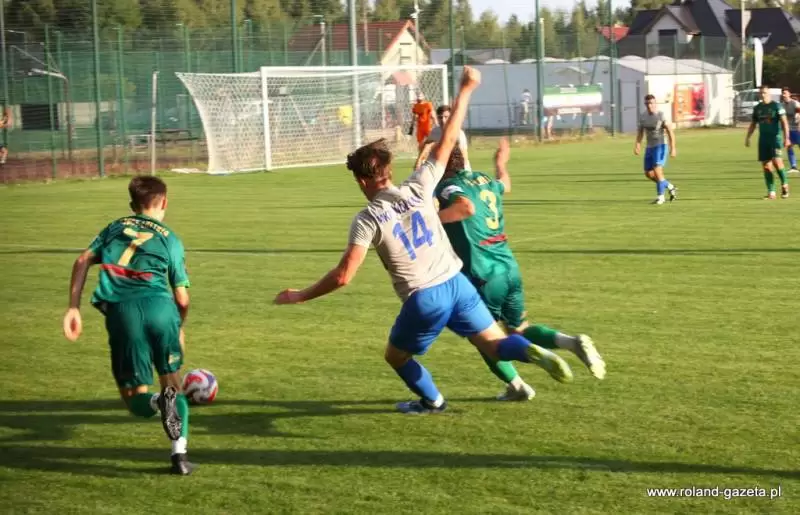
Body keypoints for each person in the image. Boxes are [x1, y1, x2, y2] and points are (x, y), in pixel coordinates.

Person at [274, 67, 573, 415]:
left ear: (361, 181)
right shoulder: (420, 185)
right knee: (495, 345)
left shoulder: (367, 219)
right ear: (388, 171)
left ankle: (433, 401)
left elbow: (343, 276)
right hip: (457, 283)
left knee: (396, 356)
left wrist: (300, 295)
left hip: (424, 297)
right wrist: (466, 89)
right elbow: (448, 139)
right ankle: (529, 351)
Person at [435, 139, 606, 401]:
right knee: (518, 329)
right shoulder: (483, 179)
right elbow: (505, 183)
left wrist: (428, 221)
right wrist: (500, 163)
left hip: (482, 272)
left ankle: (517, 386)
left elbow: (465, 207)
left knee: (483, 338)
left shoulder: (448, 186)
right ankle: (570, 342)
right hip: (508, 267)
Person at [61, 176, 194, 475]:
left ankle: (158, 402)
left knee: (136, 401)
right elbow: (182, 299)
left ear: (132, 205)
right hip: (162, 309)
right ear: (164, 202)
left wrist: (73, 307)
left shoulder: (114, 228)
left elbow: (82, 261)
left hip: (123, 313)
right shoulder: (171, 239)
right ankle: (180, 456)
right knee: (173, 382)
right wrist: (178, 325)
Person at [746, 84, 791, 199]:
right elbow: (753, 124)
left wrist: (787, 138)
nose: (762, 95)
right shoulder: (757, 108)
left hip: (775, 139)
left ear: (769, 93)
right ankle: (771, 192)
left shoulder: (776, 106)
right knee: (766, 166)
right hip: (763, 140)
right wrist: (748, 137)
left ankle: (784, 184)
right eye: (761, 93)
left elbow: (784, 122)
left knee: (777, 162)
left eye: (764, 92)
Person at [634, 95, 678, 205]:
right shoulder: (643, 116)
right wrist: (637, 145)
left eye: (651, 103)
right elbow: (640, 132)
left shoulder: (661, 115)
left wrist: (673, 148)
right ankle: (670, 186)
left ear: (655, 103)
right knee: (648, 173)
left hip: (660, 146)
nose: (649, 105)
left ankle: (660, 197)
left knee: (658, 171)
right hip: (649, 147)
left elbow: (670, 132)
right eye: (647, 103)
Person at [415, 104, 471, 171]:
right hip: (442, 169)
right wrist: (420, 160)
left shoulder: (458, 133)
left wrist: (464, 172)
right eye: (440, 117)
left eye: (446, 117)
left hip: (458, 169)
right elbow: (426, 145)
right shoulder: (435, 132)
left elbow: (464, 157)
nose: (443, 120)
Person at [780, 87, 800, 174]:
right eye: (783, 93)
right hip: (788, 129)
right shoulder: (782, 105)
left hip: (797, 129)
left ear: (789, 94)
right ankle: (793, 166)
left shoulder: (795, 103)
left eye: (785, 93)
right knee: (789, 146)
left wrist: (799, 124)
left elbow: (799, 114)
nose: (784, 95)